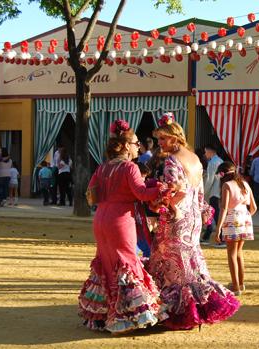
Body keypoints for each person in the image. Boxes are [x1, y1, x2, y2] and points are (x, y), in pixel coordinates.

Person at [147, 113, 239, 330]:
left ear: (175, 138)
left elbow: (173, 193)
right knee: (191, 262)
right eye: (158, 139)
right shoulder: (196, 159)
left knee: (171, 264)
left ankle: (178, 312)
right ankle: (199, 306)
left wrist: (156, 204)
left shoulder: (172, 160)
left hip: (176, 218)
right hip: (193, 218)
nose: (160, 143)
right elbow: (198, 193)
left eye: (163, 139)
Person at [78, 119, 168, 334]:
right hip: (120, 220)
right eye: (136, 143)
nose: (138, 146)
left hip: (101, 219)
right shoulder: (129, 167)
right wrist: (163, 188)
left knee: (107, 263)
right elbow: (141, 194)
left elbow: (91, 195)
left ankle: (104, 315)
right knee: (126, 263)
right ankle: (127, 317)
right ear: (127, 146)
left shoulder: (102, 167)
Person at [213, 161, 257, 296]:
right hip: (245, 218)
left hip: (232, 218)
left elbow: (224, 208)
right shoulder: (244, 183)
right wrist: (245, 216)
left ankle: (235, 286)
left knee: (231, 254)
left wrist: (218, 229)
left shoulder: (227, 185)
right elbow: (254, 207)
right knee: (238, 253)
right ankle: (241, 283)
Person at [202, 144, 223, 245]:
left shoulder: (212, 162)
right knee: (213, 213)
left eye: (206, 152)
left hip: (214, 191)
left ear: (210, 152)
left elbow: (210, 180)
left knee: (215, 214)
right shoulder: (219, 160)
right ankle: (207, 234)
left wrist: (203, 192)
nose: (205, 154)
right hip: (218, 190)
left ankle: (221, 237)